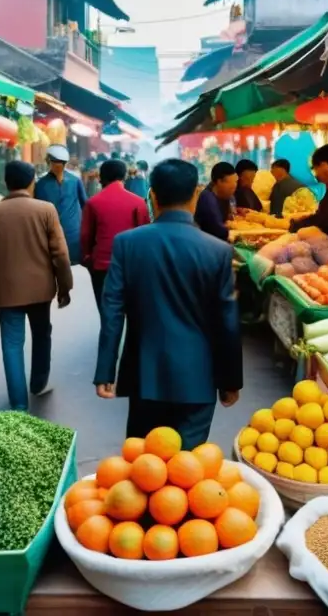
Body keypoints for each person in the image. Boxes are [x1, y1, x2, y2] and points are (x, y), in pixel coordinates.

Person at [93, 159, 243, 449]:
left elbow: (112, 310)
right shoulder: (218, 251)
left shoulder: (127, 244)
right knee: (188, 474)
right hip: (198, 379)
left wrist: (105, 370)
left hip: (144, 376)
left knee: (143, 470)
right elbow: (227, 322)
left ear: (152, 196)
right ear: (196, 196)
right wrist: (230, 381)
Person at [0, 161, 73, 409]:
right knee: (42, 334)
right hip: (41, 289)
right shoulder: (46, 209)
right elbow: (60, 254)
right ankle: (38, 383)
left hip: (6, 290)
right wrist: (65, 287)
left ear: (5, 183)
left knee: (11, 343)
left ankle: (18, 405)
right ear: (32, 183)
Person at [80, 159, 150, 307]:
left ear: (101, 178)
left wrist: (88, 257)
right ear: (124, 177)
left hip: (102, 266)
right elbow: (145, 234)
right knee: (132, 312)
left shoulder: (93, 203)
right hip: (131, 265)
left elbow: (86, 236)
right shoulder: (138, 203)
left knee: (106, 312)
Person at [34, 144, 88, 265]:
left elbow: (86, 206)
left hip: (65, 235)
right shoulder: (41, 184)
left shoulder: (74, 181)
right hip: (58, 234)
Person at [193, 161, 236, 241]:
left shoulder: (225, 196)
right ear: (219, 182)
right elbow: (219, 231)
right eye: (231, 188)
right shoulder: (207, 199)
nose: (233, 190)